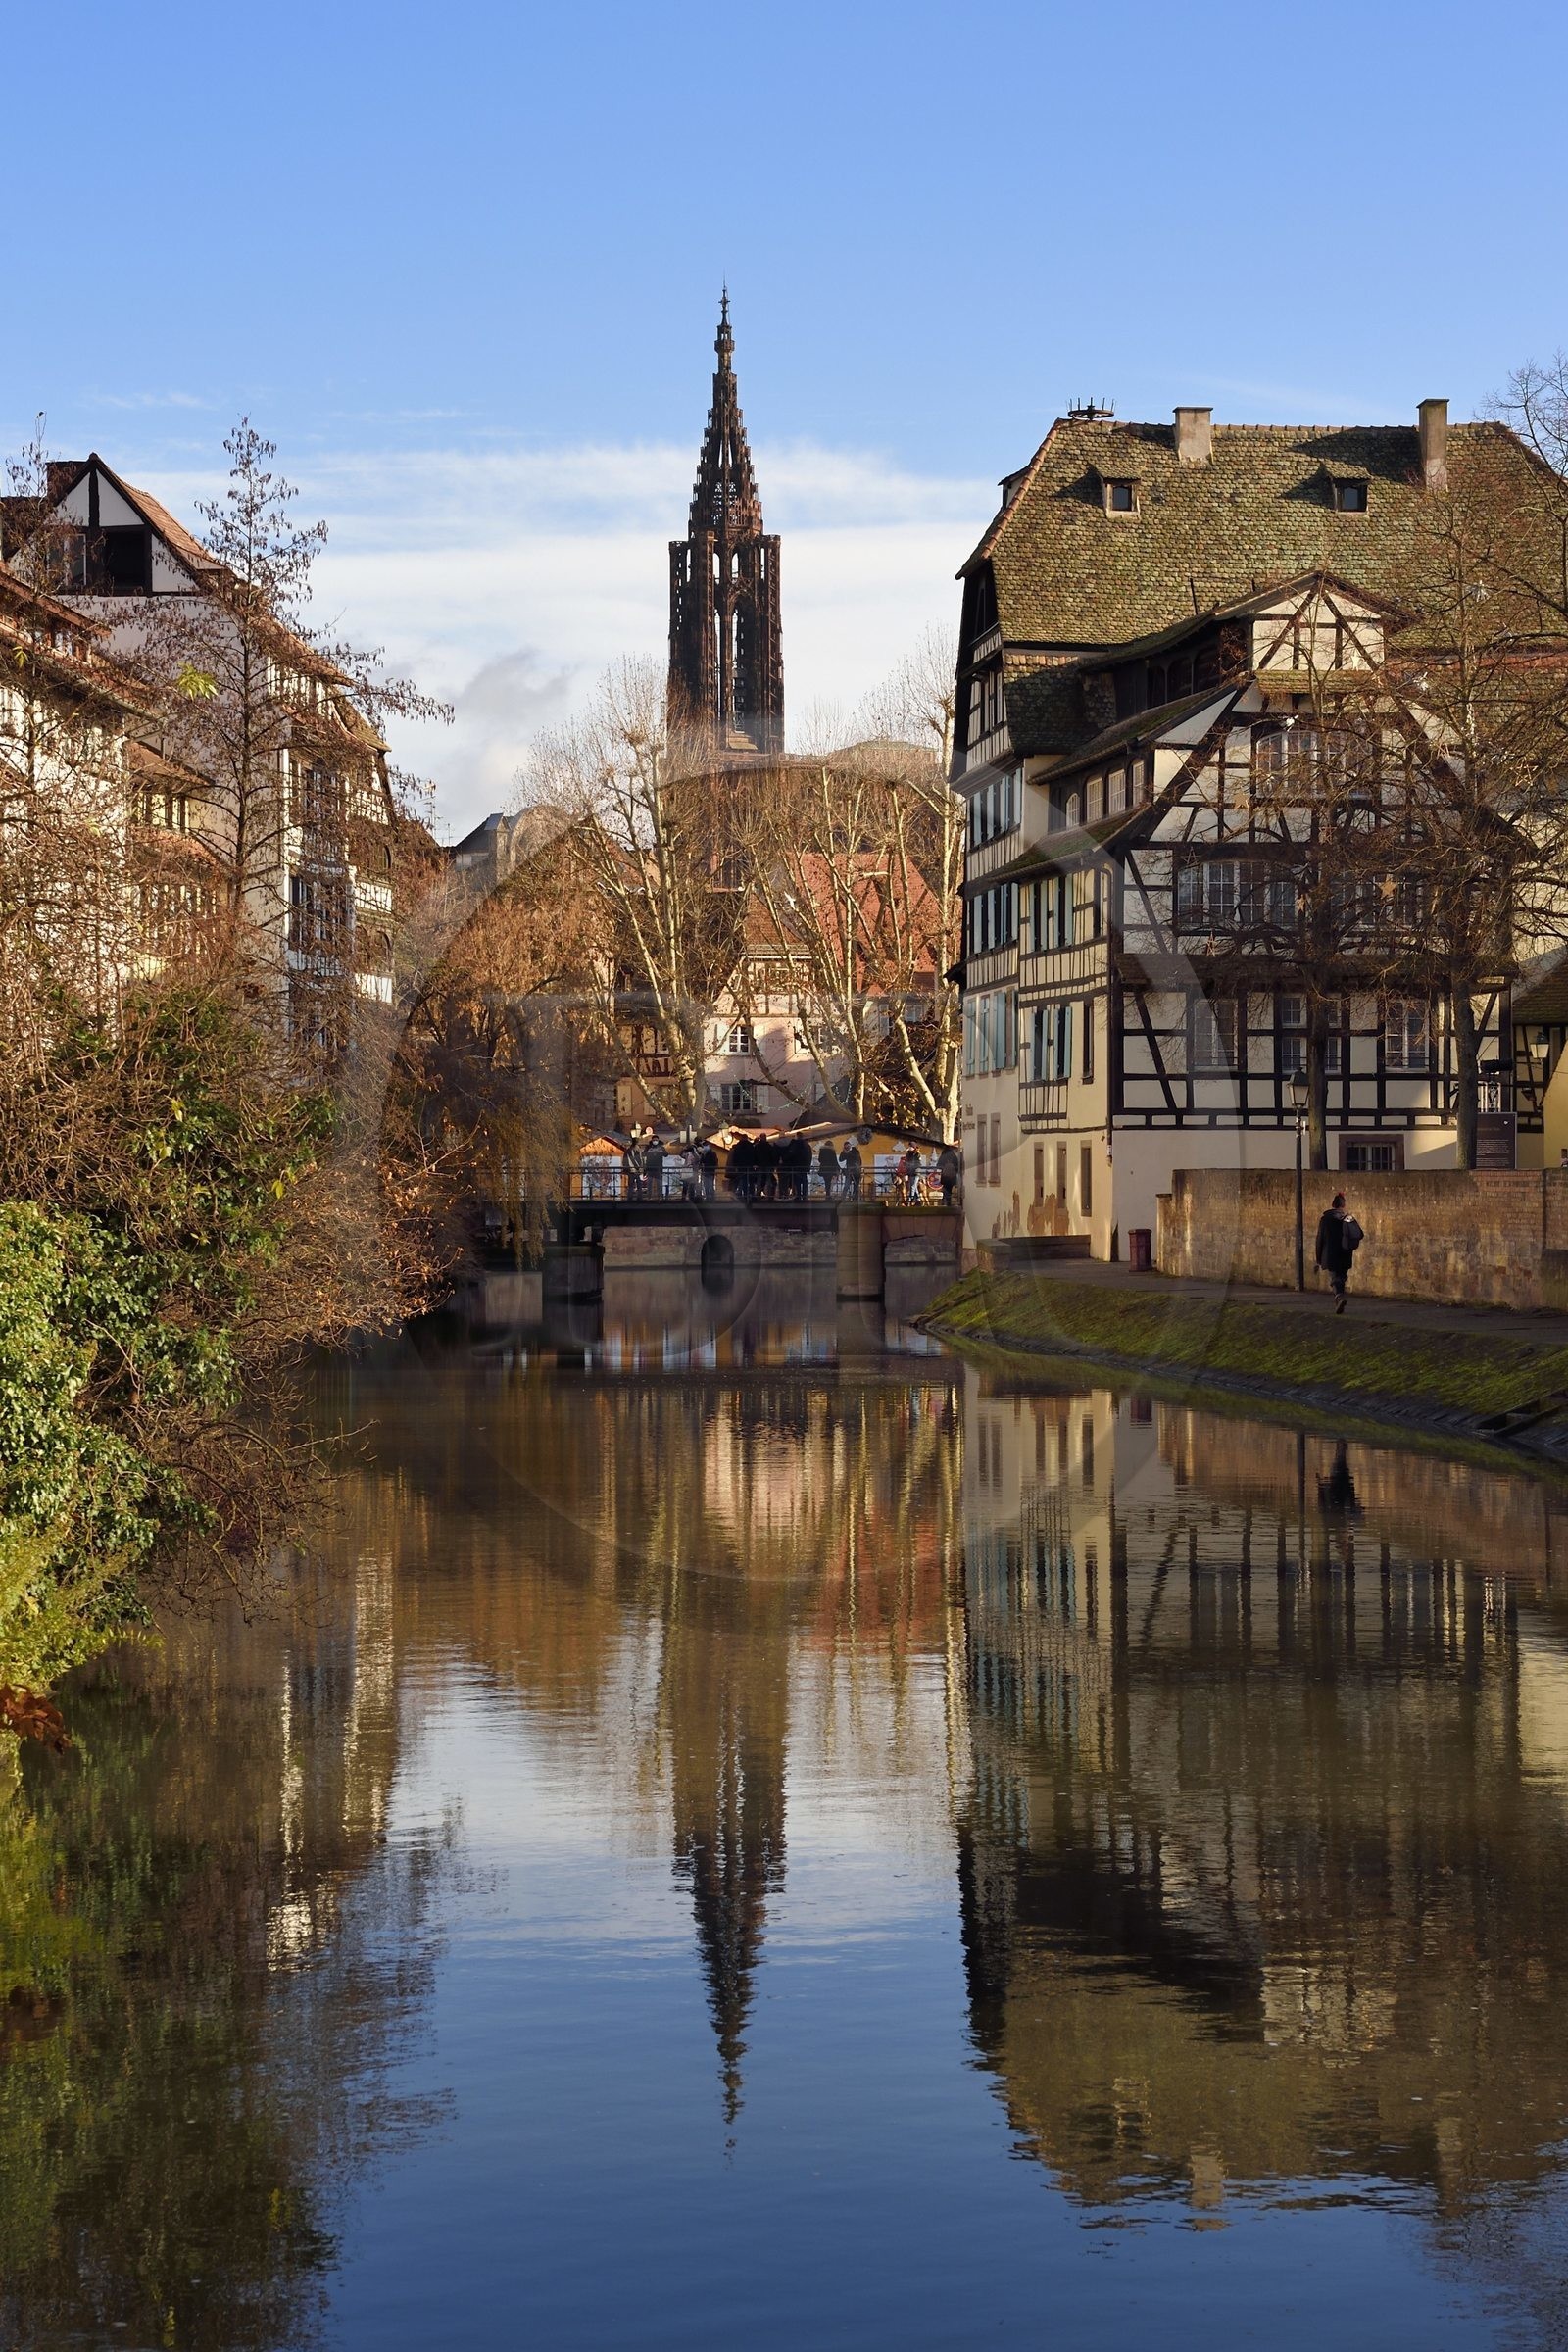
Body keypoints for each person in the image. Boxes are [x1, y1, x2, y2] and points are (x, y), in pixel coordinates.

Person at [1313, 1190, 1363, 1312]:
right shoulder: (1348, 1218)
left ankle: (1339, 1297)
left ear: (1332, 1205)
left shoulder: (1325, 1220)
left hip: (1330, 1255)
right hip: (1345, 1253)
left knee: (1335, 1278)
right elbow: (1360, 1234)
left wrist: (1318, 1258)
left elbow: (1319, 1239)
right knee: (1340, 1277)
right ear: (1343, 1205)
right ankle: (1339, 1301)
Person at [937, 1142, 961, 1209]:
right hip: (952, 1177)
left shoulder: (943, 1156)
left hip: (945, 1176)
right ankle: (948, 1203)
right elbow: (958, 1166)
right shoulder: (953, 1155)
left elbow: (938, 1166)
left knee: (945, 1189)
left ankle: (945, 1202)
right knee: (950, 1189)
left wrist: (944, 1169)